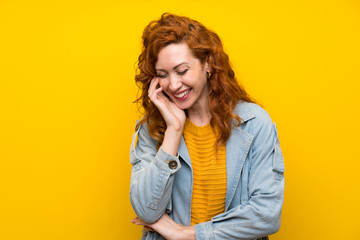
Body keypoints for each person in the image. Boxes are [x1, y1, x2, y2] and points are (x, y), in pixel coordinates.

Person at [129, 13, 285, 240]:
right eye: (163, 75)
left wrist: (184, 234)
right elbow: (146, 210)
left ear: (209, 64)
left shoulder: (253, 124)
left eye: (182, 71)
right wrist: (173, 131)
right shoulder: (152, 130)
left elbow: (266, 214)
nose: (173, 84)